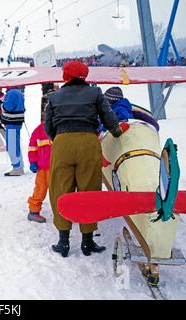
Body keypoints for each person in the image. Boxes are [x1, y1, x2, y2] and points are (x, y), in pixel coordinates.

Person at [45, 61, 130, 258]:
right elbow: (108, 117)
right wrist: (117, 132)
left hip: (62, 143)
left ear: (65, 76)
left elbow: (48, 125)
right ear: (85, 75)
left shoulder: (54, 97)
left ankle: (63, 242)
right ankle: (87, 241)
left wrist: (58, 139)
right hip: (88, 142)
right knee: (89, 190)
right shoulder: (95, 93)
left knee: (60, 189)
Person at [27, 122, 52, 223]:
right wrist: (33, 161)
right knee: (40, 189)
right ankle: (34, 211)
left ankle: (62, 210)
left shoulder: (62, 126)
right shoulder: (39, 130)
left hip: (59, 167)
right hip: (43, 168)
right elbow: (32, 146)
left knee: (60, 190)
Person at [2, 87, 26, 176]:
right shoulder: (19, 92)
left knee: (12, 145)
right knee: (15, 144)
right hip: (18, 121)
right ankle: (20, 166)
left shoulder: (11, 93)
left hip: (12, 121)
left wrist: (1, 105)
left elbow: (8, 107)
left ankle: (16, 168)